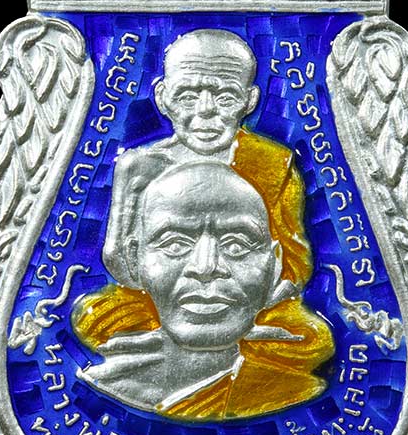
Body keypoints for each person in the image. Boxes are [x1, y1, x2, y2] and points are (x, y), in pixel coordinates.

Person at [74, 29, 321, 360]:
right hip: (163, 296)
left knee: (312, 337)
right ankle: (181, 346)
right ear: (163, 97)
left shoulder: (272, 163)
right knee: (96, 318)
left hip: (248, 298)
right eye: (188, 96)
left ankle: (187, 351)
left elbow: (294, 263)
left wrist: (251, 307)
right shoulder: (140, 165)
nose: (206, 110)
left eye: (226, 97)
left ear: (250, 101)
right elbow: (118, 258)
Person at [77, 162, 334, 419]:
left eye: (237, 245)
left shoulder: (293, 390)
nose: (206, 267)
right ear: (135, 260)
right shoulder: (106, 383)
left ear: (275, 266)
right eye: (175, 244)